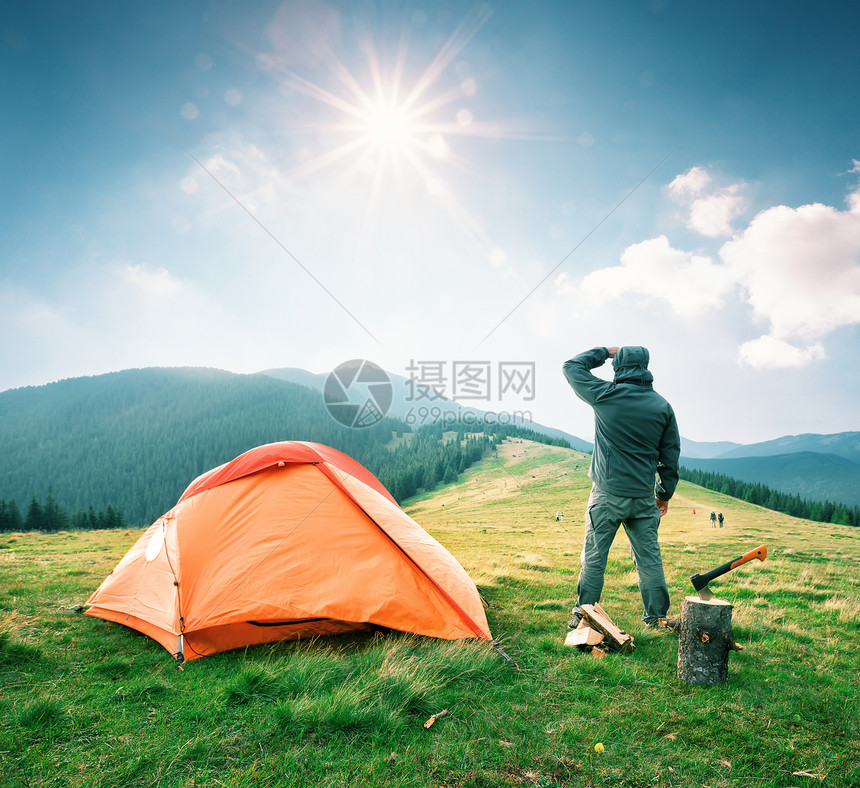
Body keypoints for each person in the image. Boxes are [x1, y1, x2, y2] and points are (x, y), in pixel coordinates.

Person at [563, 346, 680, 629]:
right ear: (646, 366)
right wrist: (663, 496)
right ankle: (657, 618)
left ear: (619, 366)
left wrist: (604, 351)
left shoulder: (605, 395)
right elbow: (670, 456)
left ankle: (584, 614)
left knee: (594, 557)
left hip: (606, 494)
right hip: (642, 497)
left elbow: (571, 367)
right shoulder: (662, 406)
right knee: (649, 560)